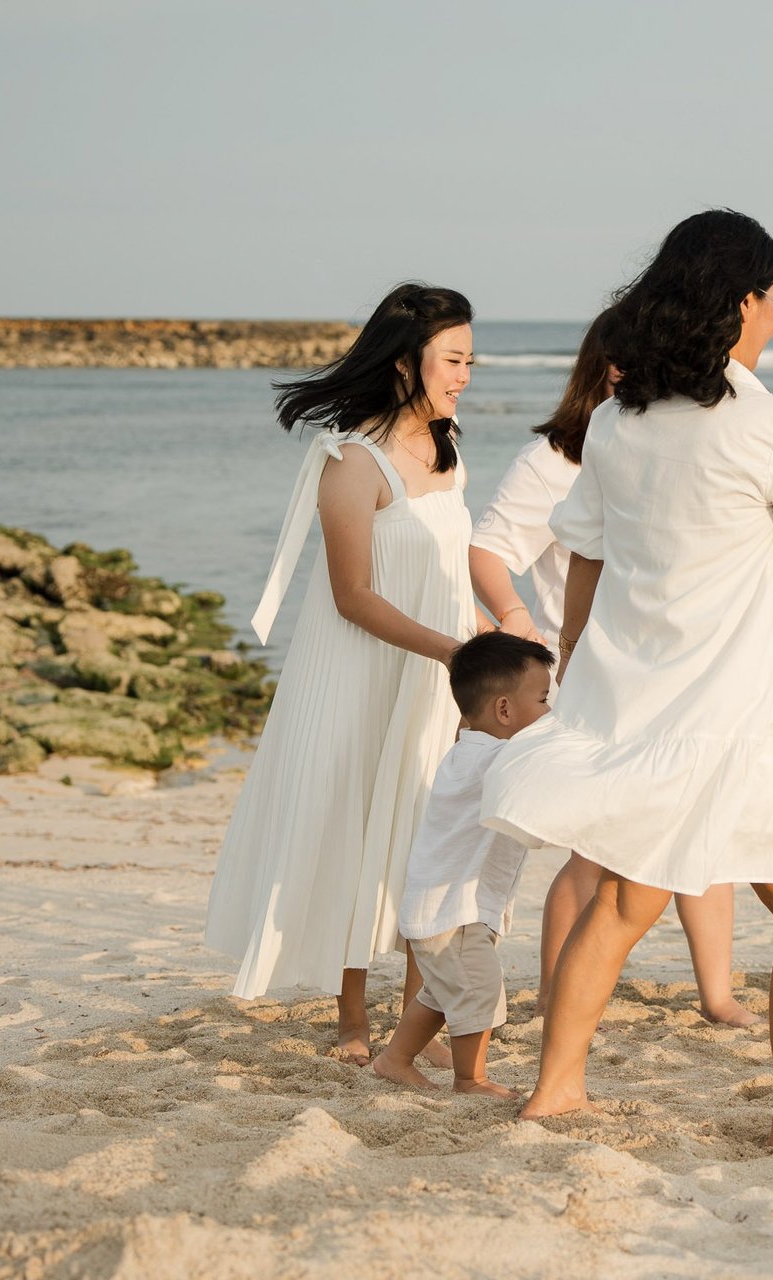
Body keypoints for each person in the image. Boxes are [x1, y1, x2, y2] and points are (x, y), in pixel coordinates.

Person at [481, 209, 773, 1149]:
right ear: (741, 303)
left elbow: (587, 561)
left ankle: (555, 1090)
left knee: (625, 898)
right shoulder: (767, 425)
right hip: (728, 715)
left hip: (632, 701)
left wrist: (573, 669)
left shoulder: (614, 419)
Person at [205, 282, 482, 1069]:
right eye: (453, 359)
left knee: (429, 832)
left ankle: (413, 1021)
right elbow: (353, 596)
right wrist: (452, 651)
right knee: (356, 826)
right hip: (365, 674)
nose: (465, 374)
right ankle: (351, 1018)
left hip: (436, 671)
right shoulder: (352, 462)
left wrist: (492, 634)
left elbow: (451, 566)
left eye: (470, 359)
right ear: (405, 362)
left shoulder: (448, 447)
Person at [469, 311, 755, 1027]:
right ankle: (550, 996)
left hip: (679, 676)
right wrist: (519, 621)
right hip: (595, 678)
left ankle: (716, 995)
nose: (635, 378)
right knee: (595, 852)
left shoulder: (661, 444)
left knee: (703, 827)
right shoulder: (554, 462)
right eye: (623, 366)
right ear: (599, 369)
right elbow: (486, 550)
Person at [372, 631, 556, 1098]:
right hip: (454, 911)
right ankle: (470, 1080)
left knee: (441, 993)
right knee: (479, 990)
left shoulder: (471, 746)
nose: (550, 712)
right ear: (503, 711)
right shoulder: (499, 759)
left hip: (445, 907)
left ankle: (395, 1059)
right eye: (543, 700)